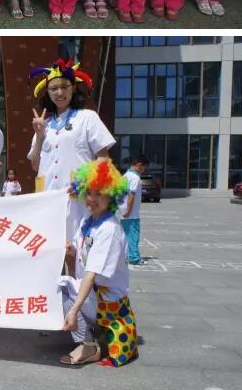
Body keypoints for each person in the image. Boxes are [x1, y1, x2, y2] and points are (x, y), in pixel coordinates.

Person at [59, 157, 138, 367]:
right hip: (95, 295)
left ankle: (89, 345)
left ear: (111, 195)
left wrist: (73, 310)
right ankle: (90, 331)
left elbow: (91, 273)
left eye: (99, 193)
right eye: (89, 192)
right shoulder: (88, 221)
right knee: (58, 288)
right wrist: (71, 254)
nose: (91, 199)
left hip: (107, 303)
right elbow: (80, 267)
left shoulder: (109, 229)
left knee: (59, 291)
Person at [27, 59, 115, 239]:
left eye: (64, 87)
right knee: (50, 247)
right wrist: (40, 136)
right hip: (47, 199)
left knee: (78, 247)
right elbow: (35, 166)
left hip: (78, 199)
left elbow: (103, 158)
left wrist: (87, 185)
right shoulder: (44, 125)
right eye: (53, 88)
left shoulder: (87, 117)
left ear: (73, 88)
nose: (59, 92)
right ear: (48, 92)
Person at [120, 156, 148, 265]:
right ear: (139, 165)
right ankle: (134, 257)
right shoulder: (135, 178)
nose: (144, 170)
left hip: (122, 210)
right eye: (144, 167)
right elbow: (131, 194)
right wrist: (128, 210)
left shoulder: (125, 175)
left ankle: (126, 255)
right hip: (131, 213)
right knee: (133, 235)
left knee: (125, 235)